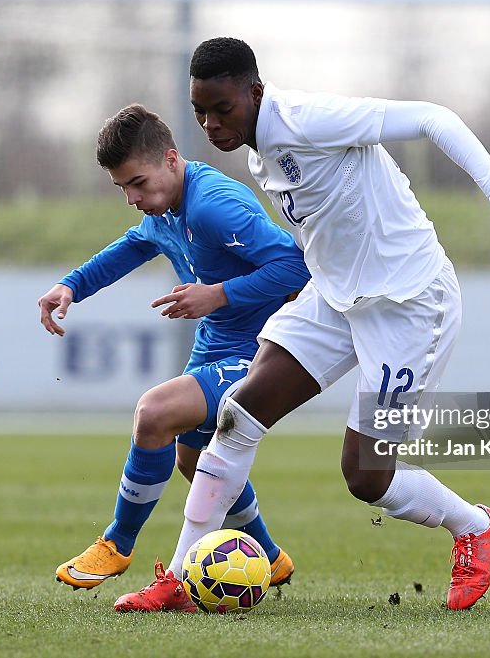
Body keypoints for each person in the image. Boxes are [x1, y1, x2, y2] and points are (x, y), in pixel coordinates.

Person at [116, 37, 490, 613]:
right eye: (200, 111)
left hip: (408, 304)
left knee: (365, 474)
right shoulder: (260, 150)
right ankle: (180, 578)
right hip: (334, 297)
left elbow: (433, 117)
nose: (209, 123)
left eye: (222, 108)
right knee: (238, 413)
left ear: (255, 92)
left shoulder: (309, 120)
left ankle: (476, 526)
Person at [38, 104, 310, 612]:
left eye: (137, 182)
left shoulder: (214, 205)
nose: (132, 198)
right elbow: (131, 247)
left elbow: (296, 268)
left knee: (154, 413)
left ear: (170, 159)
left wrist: (217, 295)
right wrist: (70, 285)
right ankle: (269, 557)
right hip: (217, 344)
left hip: (264, 349)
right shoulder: (164, 209)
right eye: (123, 188)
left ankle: (117, 543)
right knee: (191, 460)